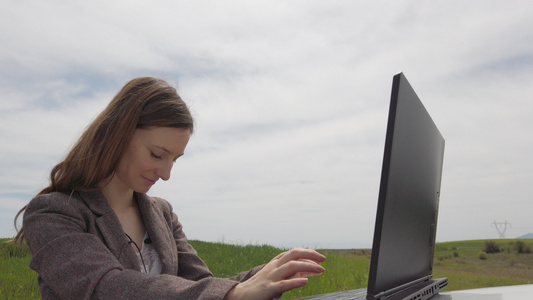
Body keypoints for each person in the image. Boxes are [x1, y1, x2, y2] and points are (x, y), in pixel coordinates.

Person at [13, 77, 326, 300]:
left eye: (174, 160)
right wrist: (235, 293)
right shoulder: (53, 213)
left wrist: (266, 274)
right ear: (117, 135)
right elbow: (105, 287)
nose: (165, 174)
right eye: (157, 154)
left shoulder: (161, 213)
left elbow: (200, 286)